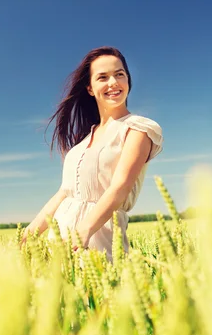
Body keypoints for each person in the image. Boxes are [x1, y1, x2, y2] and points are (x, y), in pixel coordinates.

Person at [20, 46, 163, 261]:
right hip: (59, 240)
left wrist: (85, 230)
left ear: (128, 80)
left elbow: (120, 187)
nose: (113, 83)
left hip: (97, 238)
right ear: (90, 88)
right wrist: (31, 231)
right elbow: (63, 193)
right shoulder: (83, 141)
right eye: (102, 77)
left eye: (119, 74)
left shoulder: (139, 129)